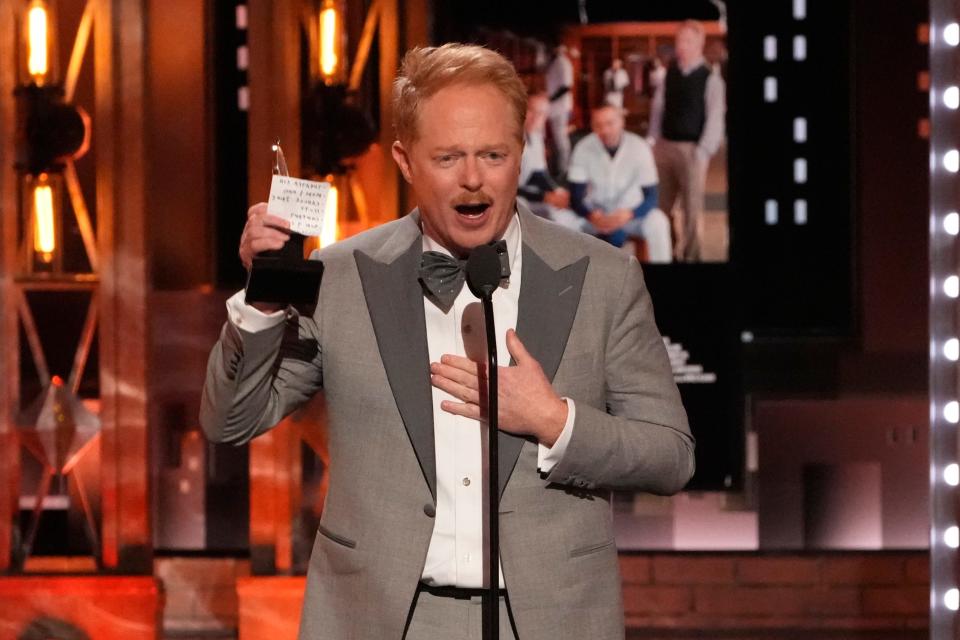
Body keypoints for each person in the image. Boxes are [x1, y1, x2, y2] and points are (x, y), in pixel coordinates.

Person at [201, 43, 693, 640]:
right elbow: (231, 421)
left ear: (520, 153)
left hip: (547, 619)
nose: (473, 179)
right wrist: (263, 297)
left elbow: (670, 455)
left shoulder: (604, 278)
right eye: (449, 157)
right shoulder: (341, 278)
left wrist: (555, 421)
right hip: (383, 619)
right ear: (405, 162)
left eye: (494, 154)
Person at [648, 20, 726, 262]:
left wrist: (703, 151)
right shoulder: (669, 73)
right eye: (679, 40)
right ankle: (668, 253)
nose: (681, 45)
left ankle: (692, 257)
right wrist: (652, 139)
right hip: (664, 147)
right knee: (661, 207)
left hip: (692, 150)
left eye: (688, 40)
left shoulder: (710, 77)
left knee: (692, 211)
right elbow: (658, 108)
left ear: (699, 43)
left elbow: (715, 118)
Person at [567, 103, 673, 263]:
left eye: (610, 123)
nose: (605, 130)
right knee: (562, 220)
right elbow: (575, 195)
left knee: (659, 222)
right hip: (595, 216)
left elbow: (652, 197)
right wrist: (590, 214)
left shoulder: (640, 147)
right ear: (592, 126)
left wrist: (629, 214)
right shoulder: (583, 147)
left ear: (621, 122)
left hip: (630, 214)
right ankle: (568, 281)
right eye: (598, 125)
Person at [518, 93, 584, 232]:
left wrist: (555, 191)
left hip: (529, 194)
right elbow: (506, 187)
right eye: (531, 110)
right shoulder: (508, 138)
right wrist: (545, 197)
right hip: (513, 198)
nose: (536, 117)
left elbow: (538, 174)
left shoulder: (536, 137)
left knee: (567, 218)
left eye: (541, 113)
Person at [544, 44, 575, 175]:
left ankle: (564, 169)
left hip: (561, 107)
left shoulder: (563, 63)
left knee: (561, 139)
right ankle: (559, 167)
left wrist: (550, 99)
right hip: (555, 107)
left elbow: (566, 87)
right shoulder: (554, 62)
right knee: (558, 139)